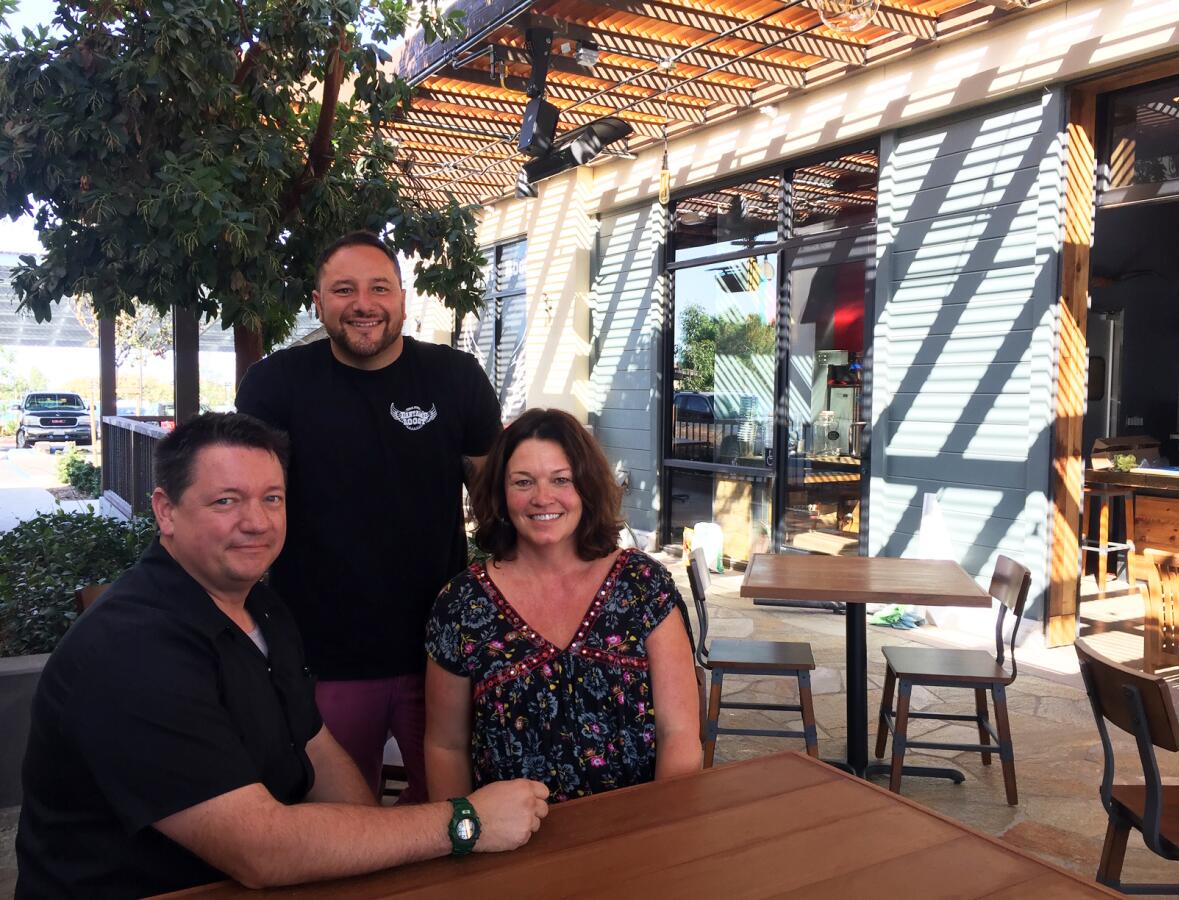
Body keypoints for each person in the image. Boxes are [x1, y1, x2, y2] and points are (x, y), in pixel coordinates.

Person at [15, 413, 548, 899]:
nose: (257, 522)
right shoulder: (130, 649)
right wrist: (464, 823)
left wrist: (378, 867)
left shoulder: (261, 608)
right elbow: (260, 849)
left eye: (272, 498)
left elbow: (314, 749)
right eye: (226, 501)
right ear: (165, 511)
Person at [235, 230, 502, 801]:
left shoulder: (456, 379)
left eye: (380, 287)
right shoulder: (276, 384)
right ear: (318, 300)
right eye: (344, 289)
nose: (363, 303)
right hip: (324, 654)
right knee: (337, 822)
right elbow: (247, 498)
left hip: (442, 651)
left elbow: (497, 502)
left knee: (453, 813)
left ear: (403, 299)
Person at [424, 408, 702, 803]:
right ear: (501, 496)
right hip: (512, 850)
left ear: (586, 487)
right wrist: (463, 841)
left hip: (637, 841)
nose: (542, 497)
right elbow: (445, 747)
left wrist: (660, 834)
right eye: (523, 482)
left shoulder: (642, 585)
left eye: (561, 479)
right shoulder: (462, 604)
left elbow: (678, 733)